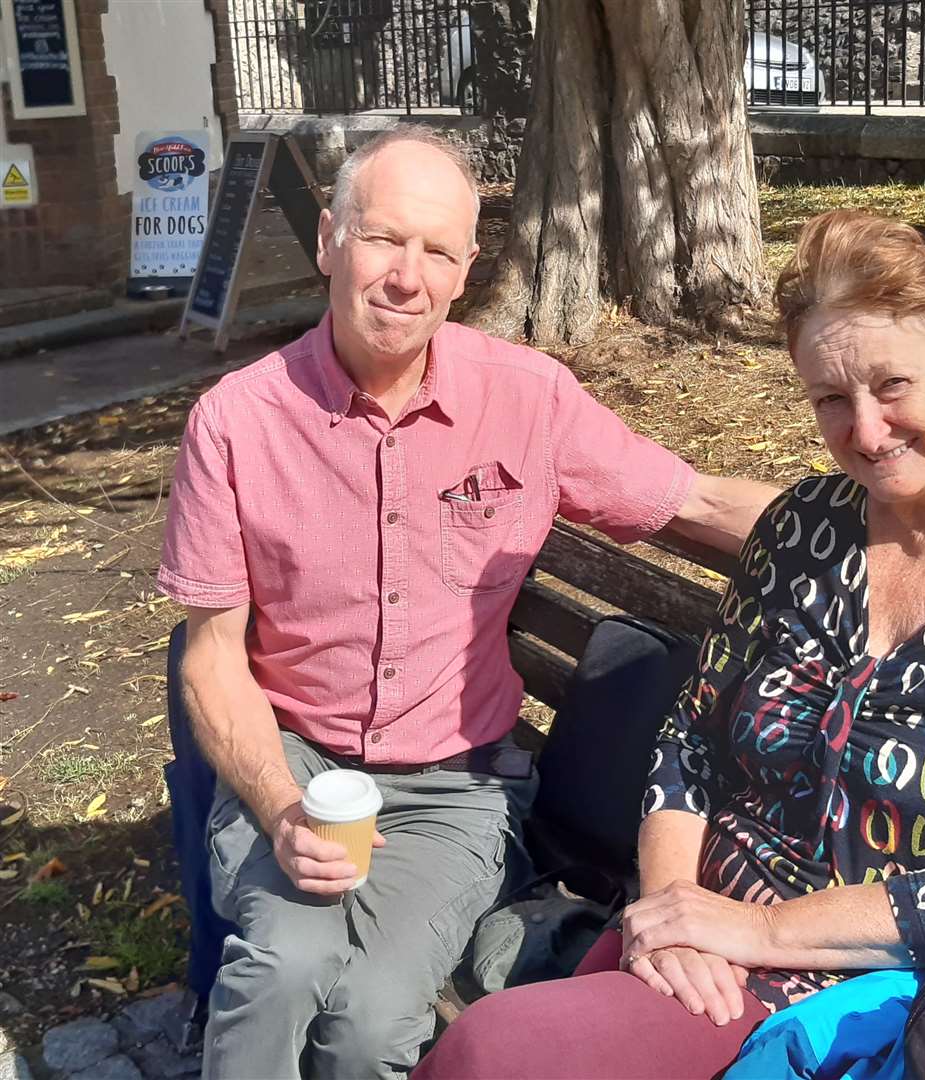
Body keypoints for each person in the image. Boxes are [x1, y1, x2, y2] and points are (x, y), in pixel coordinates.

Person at [412, 209, 925, 1080]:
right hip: (696, 941)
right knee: (490, 1052)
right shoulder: (805, 530)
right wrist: (675, 908)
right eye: (830, 397)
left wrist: (761, 933)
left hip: (880, 992)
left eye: (892, 384)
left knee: (493, 1055)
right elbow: (690, 745)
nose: (863, 431)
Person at [157, 127, 776, 1080]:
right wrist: (281, 807)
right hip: (301, 763)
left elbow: (691, 502)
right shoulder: (237, 423)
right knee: (284, 967)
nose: (406, 275)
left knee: (366, 1025)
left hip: (458, 787)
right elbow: (210, 656)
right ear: (329, 240)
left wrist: (910, 517)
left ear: (464, 272)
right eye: (383, 238)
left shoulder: (526, 399)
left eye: (437, 252)